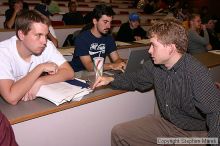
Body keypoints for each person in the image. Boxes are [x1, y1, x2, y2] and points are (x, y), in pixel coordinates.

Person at [92, 19, 220, 145]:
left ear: (170, 48)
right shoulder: (154, 65)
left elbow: (216, 113)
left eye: (153, 45)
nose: (149, 50)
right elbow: (137, 79)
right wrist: (111, 79)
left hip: (194, 133)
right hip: (167, 124)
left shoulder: (196, 72)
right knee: (120, 133)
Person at [0, 10, 74, 105]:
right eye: (38, 35)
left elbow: (69, 72)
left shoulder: (47, 46)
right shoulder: (3, 52)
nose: (44, 41)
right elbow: (11, 97)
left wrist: (39, 81)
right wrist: (40, 67)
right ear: (21, 35)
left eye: (46, 35)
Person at [70, 4, 126, 73]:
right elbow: (89, 66)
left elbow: (116, 59)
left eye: (110, 22)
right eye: (105, 22)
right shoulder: (82, 38)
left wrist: (120, 64)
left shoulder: (109, 38)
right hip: (78, 73)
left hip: (97, 72)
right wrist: (112, 66)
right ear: (95, 21)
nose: (109, 26)